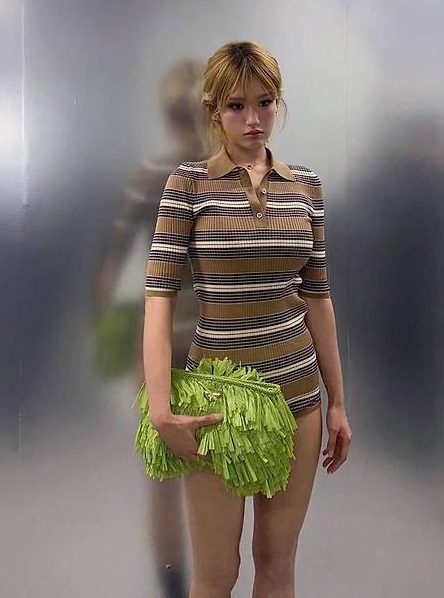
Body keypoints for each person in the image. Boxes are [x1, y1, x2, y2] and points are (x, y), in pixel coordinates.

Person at [142, 40, 352, 598]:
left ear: (278, 103)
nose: (253, 119)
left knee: (277, 565)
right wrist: (160, 408)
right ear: (213, 110)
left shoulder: (305, 186)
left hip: (297, 395)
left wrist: (337, 401)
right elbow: (158, 297)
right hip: (216, 401)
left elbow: (318, 296)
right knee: (216, 575)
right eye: (237, 105)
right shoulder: (188, 184)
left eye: (265, 102)